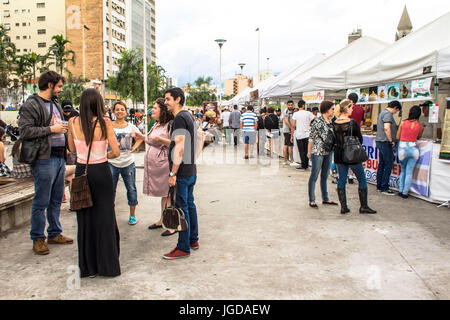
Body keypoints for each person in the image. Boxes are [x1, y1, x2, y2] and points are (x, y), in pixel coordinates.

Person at [67, 88, 121, 278]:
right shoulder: (104, 123)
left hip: (82, 171)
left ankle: (88, 267)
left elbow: (71, 149)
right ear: (98, 104)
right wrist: (102, 154)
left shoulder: (72, 122)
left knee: (85, 218)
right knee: (105, 216)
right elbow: (116, 152)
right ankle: (108, 266)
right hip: (101, 170)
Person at [18, 71, 73, 255]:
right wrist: (52, 129)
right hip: (43, 158)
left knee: (56, 198)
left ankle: (54, 232)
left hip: (58, 157)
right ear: (49, 85)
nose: (60, 90)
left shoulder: (55, 104)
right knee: (41, 200)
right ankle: (38, 238)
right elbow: (25, 131)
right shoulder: (32, 104)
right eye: (58, 86)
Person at [163, 87, 199, 260]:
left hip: (183, 172)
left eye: (168, 99)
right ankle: (193, 240)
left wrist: (172, 173)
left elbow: (179, 147)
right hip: (191, 170)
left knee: (182, 208)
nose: (166, 102)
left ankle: (183, 247)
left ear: (178, 99)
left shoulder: (179, 118)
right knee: (189, 205)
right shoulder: (189, 116)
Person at [139, 98, 176, 236]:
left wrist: (160, 140)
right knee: (163, 195)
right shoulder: (156, 124)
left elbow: (175, 143)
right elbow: (150, 139)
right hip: (156, 167)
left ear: (163, 110)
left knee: (168, 195)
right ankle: (162, 220)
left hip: (165, 165)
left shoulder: (169, 125)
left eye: (155, 108)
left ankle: (171, 224)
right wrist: (140, 136)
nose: (152, 110)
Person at [333, 99, 376, 215]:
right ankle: (364, 206)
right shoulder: (352, 123)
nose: (352, 109)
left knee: (341, 179)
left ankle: (344, 207)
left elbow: (332, 139)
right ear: (347, 108)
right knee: (361, 178)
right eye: (351, 107)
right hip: (352, 154)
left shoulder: (334, 122)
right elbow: (359, 139)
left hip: (338, 154)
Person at [108, 101, 143, 225]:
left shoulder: (131, 127)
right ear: (113, 111)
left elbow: (140, 137)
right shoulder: (108, 126)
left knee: (131, 189)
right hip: (111, 162)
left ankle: (132, 215)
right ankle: (110, 216)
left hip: (128, 162)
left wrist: (135, 147)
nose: (119, 111)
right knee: (110, 191)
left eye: (122, 109)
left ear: (126, 112)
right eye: (117, 109)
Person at [307, 101, 338, 208]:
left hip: (328, 151)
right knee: (314, 175)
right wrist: (309, 152)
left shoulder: (331, 121)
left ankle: (325, 198)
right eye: (332, 109)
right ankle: (312, 199)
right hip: (318, 151)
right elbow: (311, 137)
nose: (333, 111)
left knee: (325, 175)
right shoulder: (317, 121)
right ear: (326, 109)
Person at [396, 106, 424, 199]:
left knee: (403, 171)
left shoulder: (403, 123)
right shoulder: (420, 126)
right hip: (414, 149)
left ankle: (400, 190)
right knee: (409, 172)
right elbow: (419, 137)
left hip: (402, 149)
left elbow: (397, 136)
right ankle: (405, 193)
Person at [376, 100, 402, 195]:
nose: (396, 112)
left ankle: (379, 185)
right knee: (388, 164)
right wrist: (391, 140)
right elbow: (387, 128)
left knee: (382, 164)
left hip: (380, 141)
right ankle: (384, 187)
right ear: (395, 108)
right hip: (385, 142)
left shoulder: (382, 113)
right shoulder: (388, 115)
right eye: (397, 110)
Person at [291, 100, 315, 170]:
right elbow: (315, 118)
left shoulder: (295, 114)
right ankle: (306, 164)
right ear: (304, 105)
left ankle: (303, 165)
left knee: (301, 150)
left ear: (298, 106)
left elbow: (293, 125)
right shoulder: (308, 113)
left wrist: (291, 135)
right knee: (307, 150)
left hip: (299, 134)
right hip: (307, 134)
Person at [281, 101, 296, 166]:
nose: (290, 106)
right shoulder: (286, 111)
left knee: (286, 145)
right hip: (288, 131)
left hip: (287, 130)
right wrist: (292, 128)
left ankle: (286, 160)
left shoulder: (291, 111)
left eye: (291, 105)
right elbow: (286, 121)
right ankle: (291, 161)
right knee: (289, 146)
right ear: (287, 105)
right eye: (289, 105)